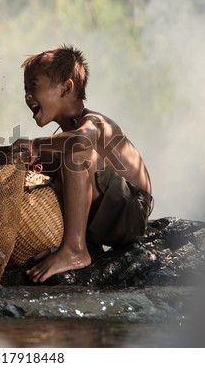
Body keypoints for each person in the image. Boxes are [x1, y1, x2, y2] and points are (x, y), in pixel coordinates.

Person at [12, 45, 153, 283]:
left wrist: (36, 144)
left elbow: (81, 140)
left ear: (66, 88)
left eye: (33, 87)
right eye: (25, 89)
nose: (27, 96)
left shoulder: (95, 122)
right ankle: (45, 239)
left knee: (75, 152)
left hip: (130, 213)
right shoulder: (65, 134)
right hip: (103, 217)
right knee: (36, 160)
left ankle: (75, 249)